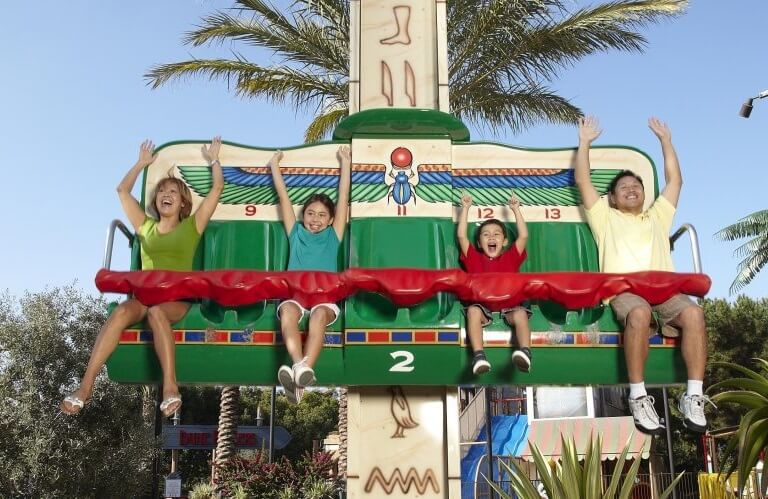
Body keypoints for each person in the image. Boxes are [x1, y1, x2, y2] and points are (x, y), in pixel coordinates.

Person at [61, 138, 224, 417]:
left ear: (183, 201)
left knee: (157, 314)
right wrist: (142, 163)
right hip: (144, 296)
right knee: (122, 310)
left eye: (173, 190)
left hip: (175, 299)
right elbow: (122, 190)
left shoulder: (191, 227)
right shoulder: (144, 226)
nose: (165, 193)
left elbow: (217, 189)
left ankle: (170, 387)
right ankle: (85, 386)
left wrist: (213, 160)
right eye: (161, 190)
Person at [575, 116, 710, 434]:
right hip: (625, 290)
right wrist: (584, 143)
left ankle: (694, 395)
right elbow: (583, 181)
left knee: (693, 314)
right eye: (624, 188)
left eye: (636, 186)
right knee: (638, 312)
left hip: (664, 289)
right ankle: (638, 396)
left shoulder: (657, 217)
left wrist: (666, 141)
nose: (631, 189)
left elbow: (675, 181)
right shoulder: (605, 219)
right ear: (613, 198)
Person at [269, 146, 351, 403]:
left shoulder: (333, 234)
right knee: (288, 313)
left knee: (317, 318)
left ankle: (303, 369)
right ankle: (300, 367)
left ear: (330, 220)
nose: (315, 219)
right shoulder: (295, 232)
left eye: (322, 215)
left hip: (324, 297)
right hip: (296, 295)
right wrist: (274, 166)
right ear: (303, 215)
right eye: (311, 213)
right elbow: (283, 198)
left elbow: (343, 195)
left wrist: (345, 164)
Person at [457, 192, 532, 375]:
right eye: (486, 235)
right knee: (473, 311)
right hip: (482, 306)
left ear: (504, 241)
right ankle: (479, 356)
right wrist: (465, 208)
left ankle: (525, 352)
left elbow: (523, 236)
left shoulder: (511, 257)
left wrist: (516, 209)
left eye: (497, 234)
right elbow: (461, 237)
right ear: (479, 243)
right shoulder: (473, 258)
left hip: (510, 306)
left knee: (521, 313)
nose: (491, 237)